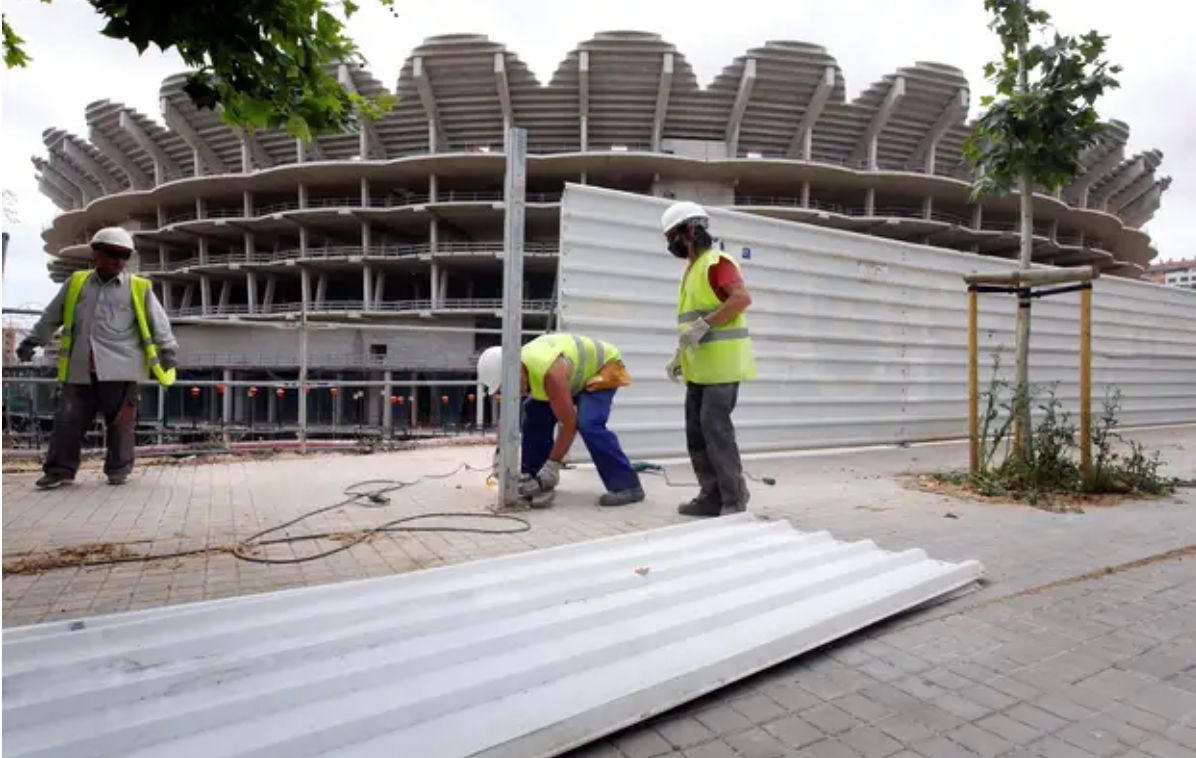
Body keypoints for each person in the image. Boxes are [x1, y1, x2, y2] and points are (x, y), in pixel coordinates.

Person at [17, 227, 178, 489]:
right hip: (79, 367)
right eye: (113, 253)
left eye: (124, 255)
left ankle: (118, 470)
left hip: (121, 368)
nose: (119, 260)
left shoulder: (139, 287)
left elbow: (159, 323)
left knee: (121, 423)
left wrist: (168, 351)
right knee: (67, 421)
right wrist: (32, 341)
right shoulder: (76, 283)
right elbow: (52, 316)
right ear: (96, 253)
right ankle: (59, 471)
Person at [661, 201, 756, 517]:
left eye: (672, 236)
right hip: (699, 369)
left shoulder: (718, 262)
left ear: (688, 231)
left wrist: (705, 325)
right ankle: (711, 496)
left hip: (722, 367)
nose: (670, 244)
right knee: (697, 434)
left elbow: (741, 299)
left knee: (716, 432)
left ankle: (734, 499)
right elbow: (693, 320)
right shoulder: (693, 269)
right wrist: (680, 352)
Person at [477, 333, 644, 507]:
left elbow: (568, 423)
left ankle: (628, 486)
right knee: (534, 412)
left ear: (516, 371)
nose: (511, 391)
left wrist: (553, 465)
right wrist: (500, 455)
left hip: (604, 368)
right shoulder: (519, 368)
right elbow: (507, 418)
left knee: (589, 424)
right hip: (573, 375)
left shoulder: (549, 373)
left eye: (508, 385)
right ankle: (533, 477)